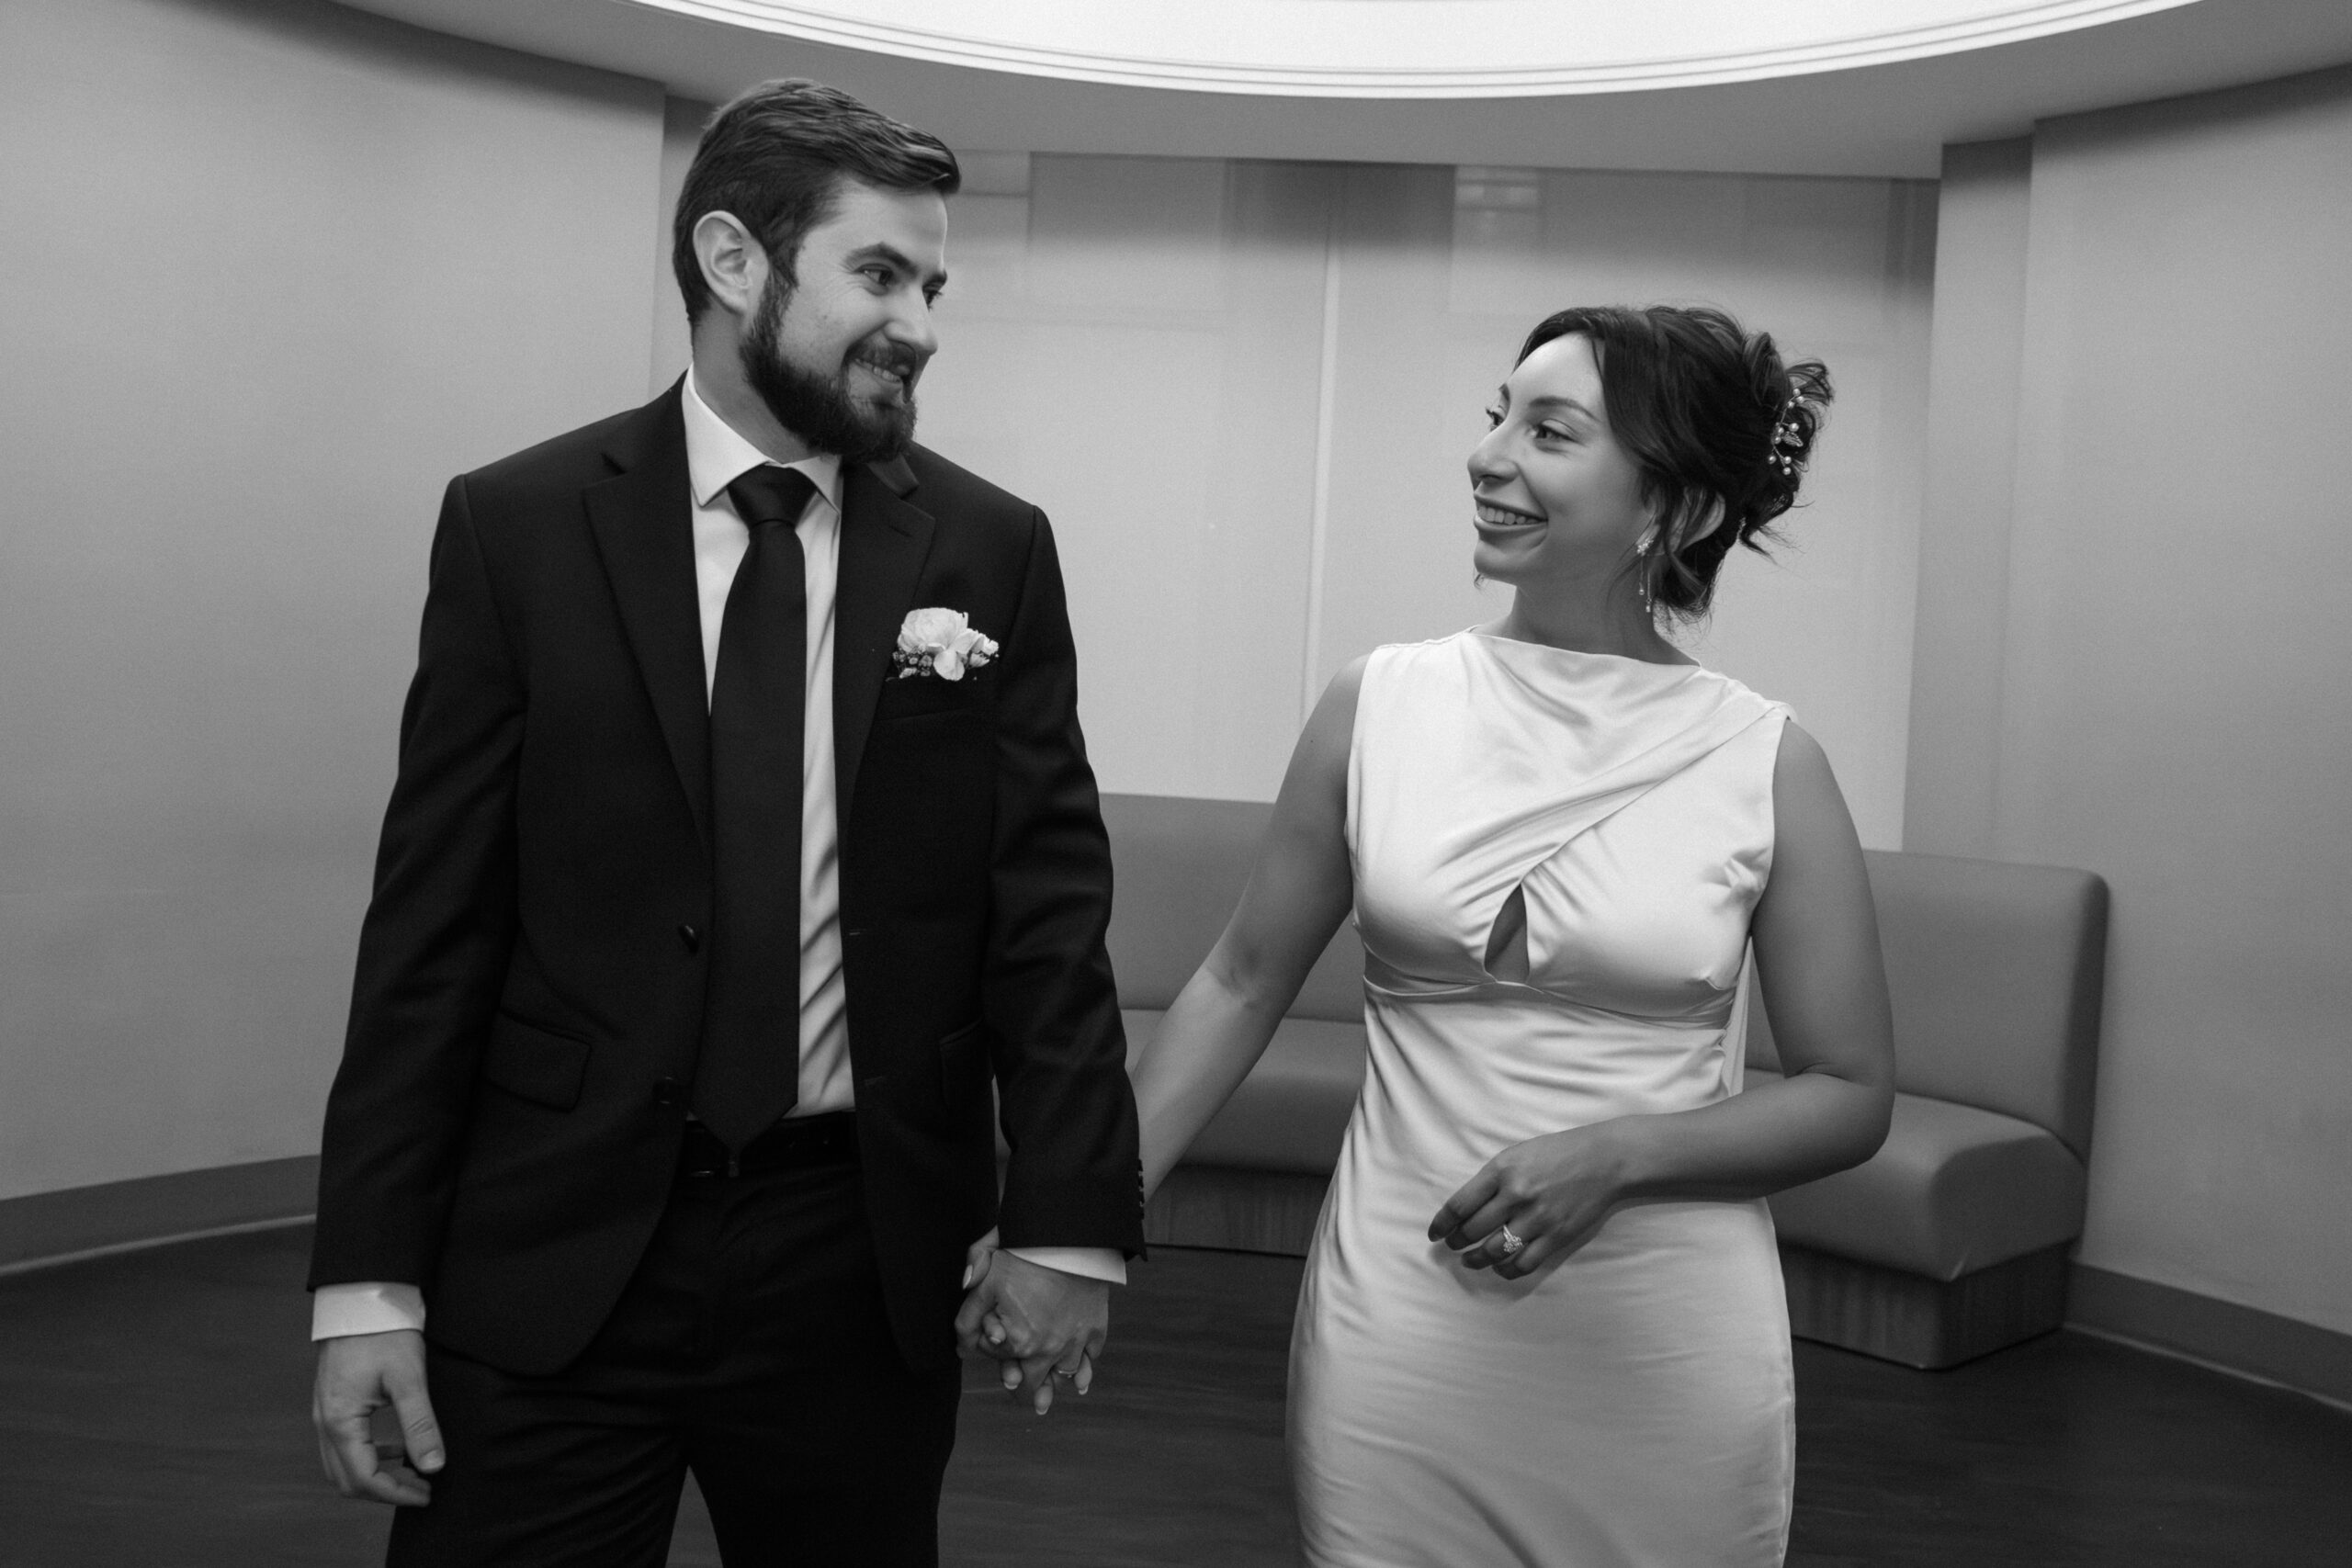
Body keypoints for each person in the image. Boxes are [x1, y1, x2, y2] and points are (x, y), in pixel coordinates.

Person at [304, 79, 1144, 1567]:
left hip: (862, 1256)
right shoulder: (518, 524)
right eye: (880, 274)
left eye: (934, 284)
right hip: (552, 1253)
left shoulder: (991, 549)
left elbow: (1046, 915)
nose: (925, 323)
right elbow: (431, 927)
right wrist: (369, 1284)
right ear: (734, 261)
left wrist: (1067, 1222)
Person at [1128, 304, 1896, 1565]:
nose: (1489, 454)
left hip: (1664, 1342)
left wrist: (1619, 1156)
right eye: (1496, 415)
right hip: (1407, 1319)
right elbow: (1239, 978)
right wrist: (1083, 1220)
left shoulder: (1768, 760)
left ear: (1676, 509)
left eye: (1549, 430)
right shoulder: (1378, 704)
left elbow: (1850, 1092)